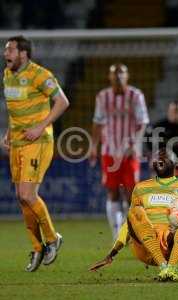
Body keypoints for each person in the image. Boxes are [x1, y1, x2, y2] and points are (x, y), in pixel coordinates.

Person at [90, 148, 178, 281]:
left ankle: (170, 269)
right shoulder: (140, 188)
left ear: (175, 163)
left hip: (172, 246)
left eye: (165, 157)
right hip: (144, 247)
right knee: (135, 211)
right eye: (157, 158)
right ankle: (163, 266)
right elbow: (129, 222)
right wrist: (112, 253)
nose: (160, 159)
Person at [1, 35, 69, 271]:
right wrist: (9, 132)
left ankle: (52, 239)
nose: (5, 53)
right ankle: (38, 248)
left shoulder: (41, 74)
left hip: (39, 140)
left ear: (23, 53)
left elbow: (62, 101)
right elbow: (14, 108)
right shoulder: (7, 75)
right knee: (22, 197)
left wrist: (41, 126)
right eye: (5, 49)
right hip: (18, 141)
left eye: (10, 49)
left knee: (28, 195)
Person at [90, 63, 149, 240]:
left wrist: (135, 143)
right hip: (109, 152)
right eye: (115, 74)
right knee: (113, 191)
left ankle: (130, 227)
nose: (118, 77)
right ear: (110, 77)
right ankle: (117, 232)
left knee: (131, 193)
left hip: (130, 153)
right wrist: (93, 146)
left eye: (121, 73)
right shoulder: (102, 97)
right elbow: (97, 123)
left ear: (127, 76)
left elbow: (143, 122)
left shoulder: (135, 95)